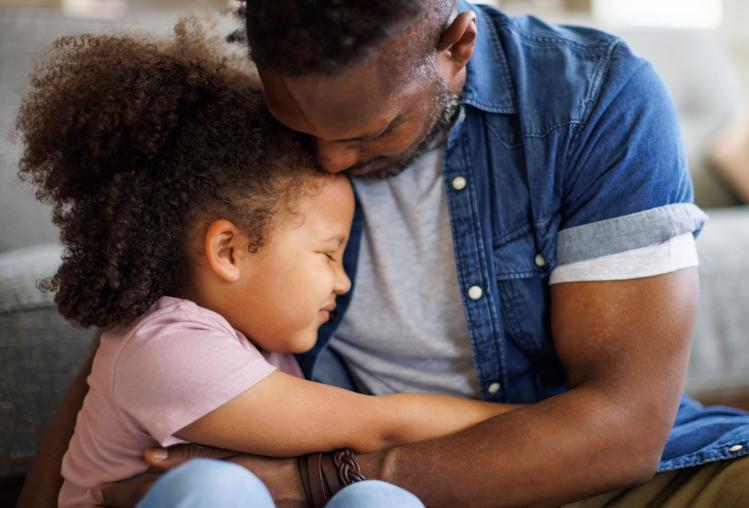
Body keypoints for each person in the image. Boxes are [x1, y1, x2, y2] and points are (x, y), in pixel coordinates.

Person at [18, 1, 749, 507]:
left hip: (578, 473)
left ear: (455, 46)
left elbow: (623, 432)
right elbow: (140, 334)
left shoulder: (596, 98)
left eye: (370, 131)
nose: (327, 160)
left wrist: (310, 478)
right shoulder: (245, 121)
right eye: (301, 128)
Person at [14, 20, 518, 508]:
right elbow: (382, 424)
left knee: (377, 497)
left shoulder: (256, 347)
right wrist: (534, 422)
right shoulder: (164, 350)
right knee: (222, 491)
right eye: (328, 252)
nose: (343, 281)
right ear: (229, 251)